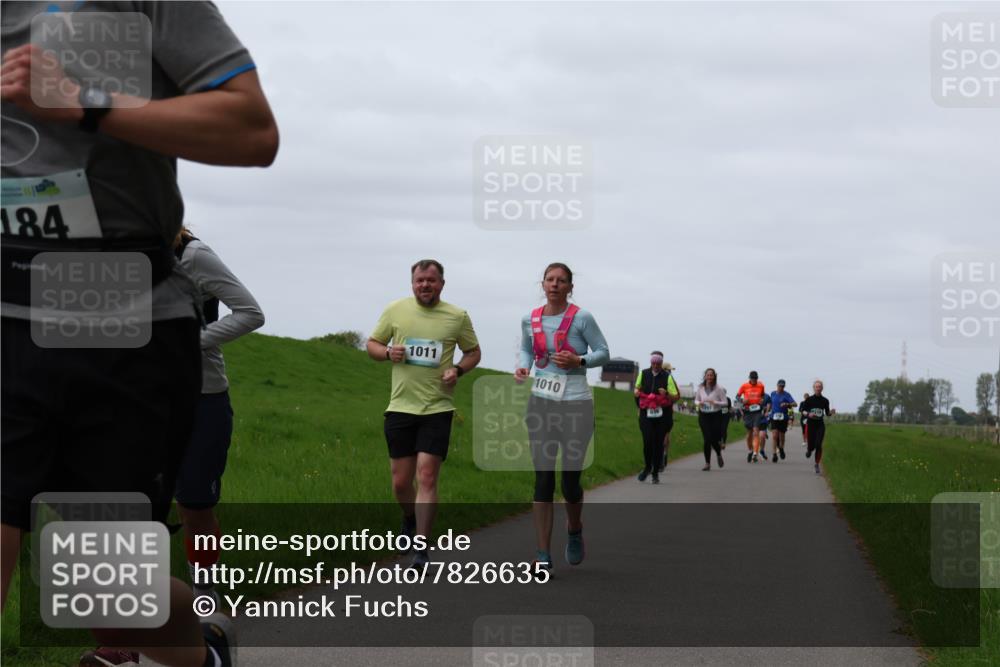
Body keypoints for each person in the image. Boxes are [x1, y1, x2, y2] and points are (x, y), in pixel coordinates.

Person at [2, 4, 278, 666]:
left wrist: (85, 105)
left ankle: (202, 649)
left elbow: (252, 132)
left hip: (123, 329)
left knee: (105, 588)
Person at [367, 260, 481, 569]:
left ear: (442, 284)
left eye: (431, 280)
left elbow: (473, 352)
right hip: (400, 407)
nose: (425, 285)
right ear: (412, 283)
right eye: (420, 280)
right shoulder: (395, 310)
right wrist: (388, 352)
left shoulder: (456, 316)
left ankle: (422, 549)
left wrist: (457, 370)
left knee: (427, 476)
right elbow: (373, 344)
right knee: (401, 483)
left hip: (437, 408)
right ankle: (408, 518)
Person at [173, 227, 264, 606]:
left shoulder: (193, 256)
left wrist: (188, 341)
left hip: (201, 398)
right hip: (141, 401)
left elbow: (250, 313)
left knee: (195, 507)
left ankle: (203, 592)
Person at [515, 263, 609, 570]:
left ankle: (574, 528)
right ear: (542, 284)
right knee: (543, 479)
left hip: (576, 405)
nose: (555, 284)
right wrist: (524, 366)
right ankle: (542, 555)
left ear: (570, 287)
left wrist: (578, 359)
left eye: (561, 281)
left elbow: (603, 352)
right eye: (550, 279)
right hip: (542, 403)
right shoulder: (530, 319)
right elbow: (527, 350)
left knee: (570, 482)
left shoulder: (582, 318)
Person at [634, 352, 679, 482]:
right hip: (646, 413)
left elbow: (675, 396)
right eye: (653, 363)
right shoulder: (643, 373)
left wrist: (666, 394)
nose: (655, 366)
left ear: (661, 364)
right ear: (650, 363)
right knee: (647, 441)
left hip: (662, 415)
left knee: (658, 444)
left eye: (658, 364)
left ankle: (655, 473)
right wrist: (637, 392)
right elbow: (636, 389)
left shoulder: (667, 377)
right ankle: (647, 467)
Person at [801, 380, 836, 474]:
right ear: (814, 388)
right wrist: (808, 414)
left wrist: (831, 412)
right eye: (816, 387)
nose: (818, 388)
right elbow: (802, 411)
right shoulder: (809, 400)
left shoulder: (825, 400)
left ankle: (817, 464)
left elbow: (827, 413)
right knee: (812, 446)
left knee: (818, 445)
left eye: (819, 386)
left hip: (820, 425)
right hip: (811, 425)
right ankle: (809, 450)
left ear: (822, 388)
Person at [695, 369, 726, 471]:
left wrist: (715, 402)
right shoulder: (700, 388)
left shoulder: (719, 389)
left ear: (714, 376)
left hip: (715, 415)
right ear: (705, 376)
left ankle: (718, 454)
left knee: (713, 438)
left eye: (711, 375)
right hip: (703, 415)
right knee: (707, 438)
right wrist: (699, 403)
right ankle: (707, 463)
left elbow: (725, 403)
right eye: (707, 375)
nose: (709, 377)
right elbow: (696, 400)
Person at [736, 371, 766, 463]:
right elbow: (737, 397)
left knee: (756, 431)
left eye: (755, 378)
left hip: (757, 411)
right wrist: (742, 400)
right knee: (749, 433)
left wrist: (762, 400)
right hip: (748, 411)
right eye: (752, 378)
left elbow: (763, 396)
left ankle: (755, 454)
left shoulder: (761, 385)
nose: (754, 380)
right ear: (749, 378)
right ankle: (750, 450)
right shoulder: (744, 386)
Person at [767, 380, 797, 462]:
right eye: (780, 386)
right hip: (774, 417)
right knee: (774, 436)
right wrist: (767, 411)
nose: (781, 387)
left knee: (782, 436)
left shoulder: (787, 395)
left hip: (783, 417)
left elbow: (795, 404)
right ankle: (774, 454)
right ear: (777, 385)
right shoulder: (772, 393)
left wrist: (787, 404)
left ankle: (781, 448)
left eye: (783, 386)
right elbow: (770, 404)